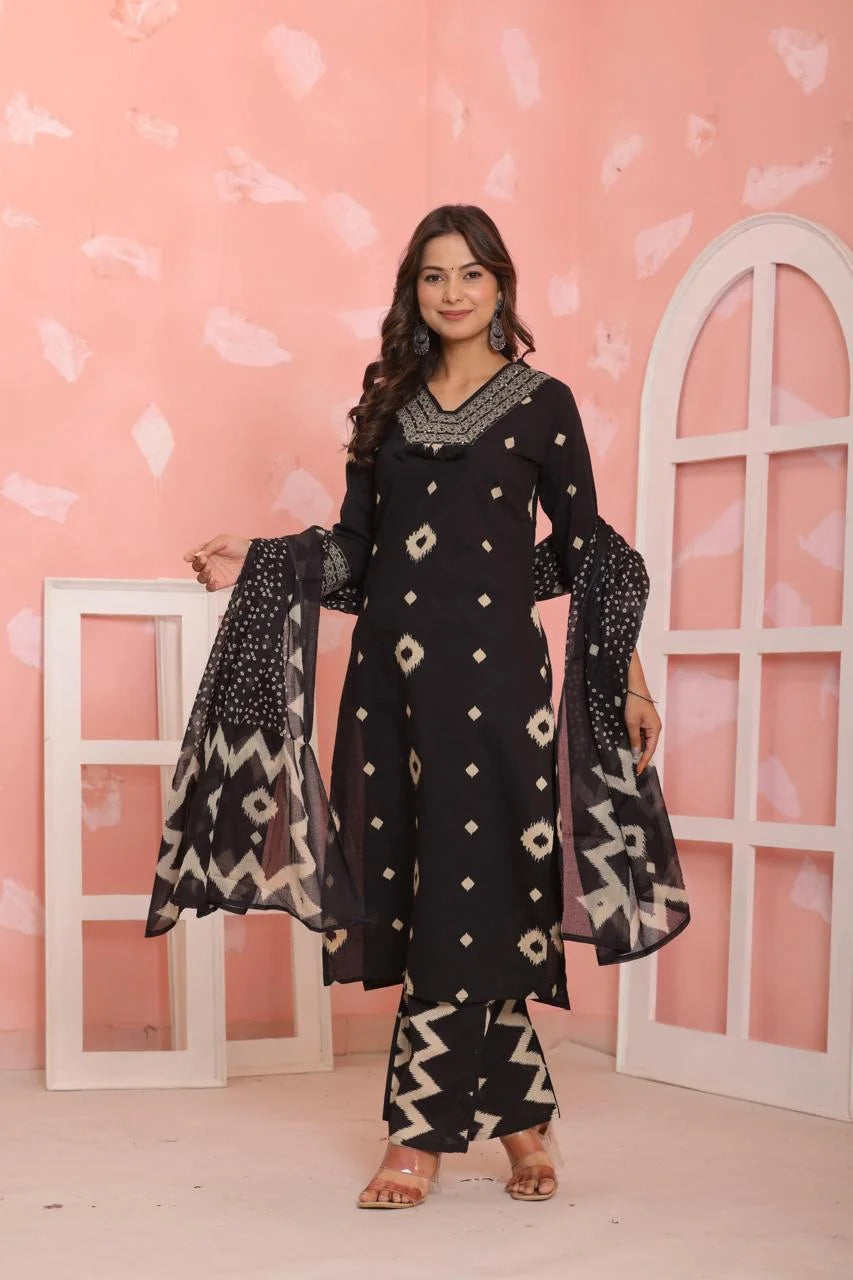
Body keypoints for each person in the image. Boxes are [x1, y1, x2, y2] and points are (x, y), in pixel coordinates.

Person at [145, 204, 689, 1209]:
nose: (452, 292)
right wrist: (259, 558)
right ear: (413, 291)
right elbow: (358, 556)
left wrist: (627, 677)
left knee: (474, 886)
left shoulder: (543, 403)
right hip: (391, 689)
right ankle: (523, 1123)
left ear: (501, 286)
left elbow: (587, 551)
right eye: (433, 275)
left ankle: (415, 1137)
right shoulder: (387, 402)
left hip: (497, 690)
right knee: (433, 888)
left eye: (471, 273)